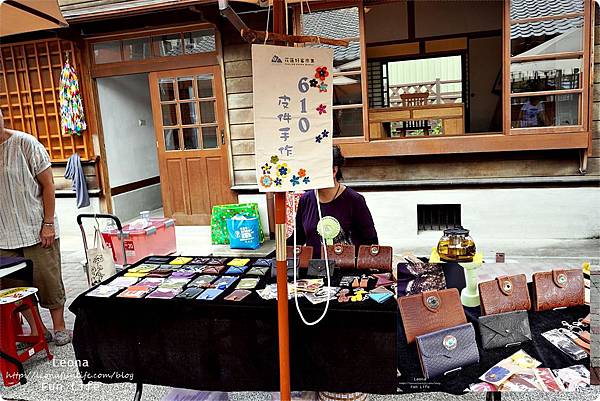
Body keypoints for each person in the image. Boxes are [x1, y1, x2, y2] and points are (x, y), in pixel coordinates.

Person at [0, 109, 70, 346]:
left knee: (47, 280)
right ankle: (38, 330)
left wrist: (48, 223)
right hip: (3, 235)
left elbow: (48, 185)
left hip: (36, 229)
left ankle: (59, 328)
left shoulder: (26, 144)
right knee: (14, 287)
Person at [290, 145, 378, 257]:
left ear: (333, 171)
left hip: (348, 271)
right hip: (313, 270)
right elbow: (298, 238)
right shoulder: (305, 200)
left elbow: (370, 243)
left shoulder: (354, 200)